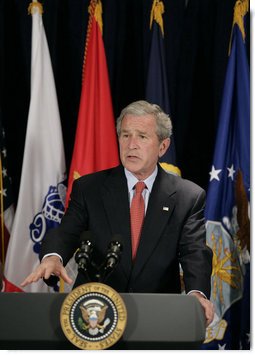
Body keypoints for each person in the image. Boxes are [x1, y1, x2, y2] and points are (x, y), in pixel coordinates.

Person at [21, 100, 214, 326]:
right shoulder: (89, 188)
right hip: (94, 314)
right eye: (125, 135)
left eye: (142, 136)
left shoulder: (187, 197)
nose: (131, 144)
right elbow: (67, 232)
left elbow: (194, 252)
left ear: (163, 146)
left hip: (156, 315)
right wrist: (53, 256)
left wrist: (197, 294)